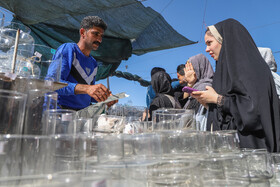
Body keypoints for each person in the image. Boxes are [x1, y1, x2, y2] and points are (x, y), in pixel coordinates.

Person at [191, 18, 280, 152]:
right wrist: (210, 105)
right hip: (231, 155)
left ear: (224, 40)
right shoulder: (225, 72)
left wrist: (217, 99)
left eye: (210, 43)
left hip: (253, 156)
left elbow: (256, 112)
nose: (207, 49)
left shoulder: (251, 68)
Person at [48, 16, 117, 110]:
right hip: (60, 113)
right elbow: (52, 84)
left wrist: (104, 97)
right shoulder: (68, 50)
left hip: (81, 116)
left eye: (101, 36)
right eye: (95, 34)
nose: (99, 39)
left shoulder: (93, 63)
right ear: (82, 32)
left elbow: (87, 94)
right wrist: (87, 89)